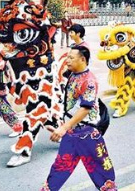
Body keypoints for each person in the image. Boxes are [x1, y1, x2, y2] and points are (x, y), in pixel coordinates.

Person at [42, 46, 116, 191]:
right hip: (72, 133)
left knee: (100, 170)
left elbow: (85, 108)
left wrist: (64, 127)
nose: (67, 60)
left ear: (82, 59)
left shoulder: (89, 81)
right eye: (67, 57)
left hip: (87, 133)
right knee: (60, 166)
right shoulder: (73, 75)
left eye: (71, 58)